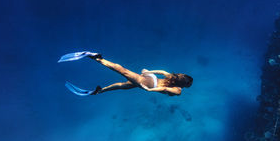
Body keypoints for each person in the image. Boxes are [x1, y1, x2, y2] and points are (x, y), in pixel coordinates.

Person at [58, 51, 193, 96]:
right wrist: (149, 90)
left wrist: (148, 72)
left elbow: (162, 71)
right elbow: (163, 88)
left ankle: (100, 91)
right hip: (149, 83)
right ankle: (97, 58)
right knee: (123, 71)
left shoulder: (172, 78)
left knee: (123, 85)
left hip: (150, 78)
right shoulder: (178, 90)